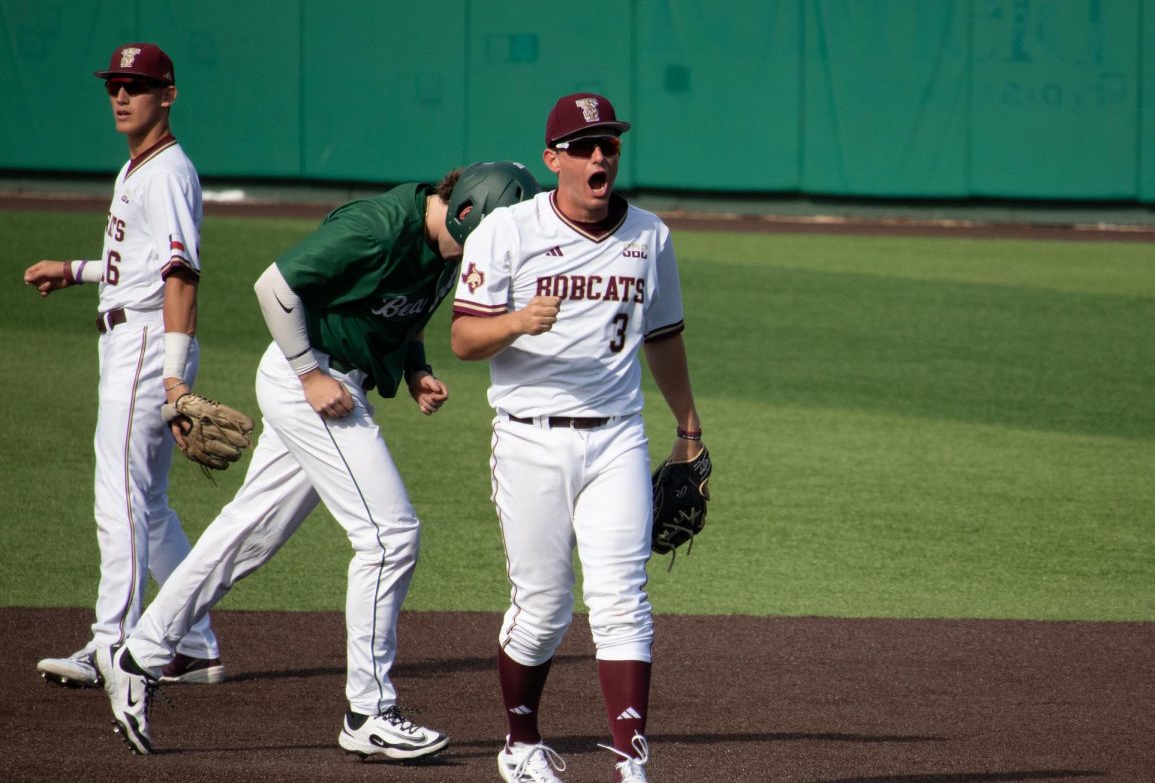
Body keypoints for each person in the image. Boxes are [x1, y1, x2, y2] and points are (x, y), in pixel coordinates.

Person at [95, 161, 541, 759]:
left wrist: (416, 370)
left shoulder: (449, 246)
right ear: (466, 211)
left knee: (249, 534)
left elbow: (397, 310)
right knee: (389, 536)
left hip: (332, 378)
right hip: (308, 377)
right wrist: (308, 374)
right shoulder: (379, 227)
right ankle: (370, 710)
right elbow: (273, 287)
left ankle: (138, 655)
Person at [451, 93, 705, 783]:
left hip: (617, 438)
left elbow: (665, 337)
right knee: (543, 609)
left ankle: (630, 760)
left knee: (623, 598)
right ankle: (521, 743)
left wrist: (687, 426)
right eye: (586, 146)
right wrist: (515, 324)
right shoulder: (506, 232)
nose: (601, 157)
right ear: (552, 159)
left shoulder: (649, 235)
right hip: (529, 440)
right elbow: (463, 336)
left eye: (610, 145)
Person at [24, 42, 224, 690]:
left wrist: (172, 380)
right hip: (134, 337)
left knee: (120, 503)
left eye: (136, 85)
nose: (120, 95)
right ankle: (192, 643)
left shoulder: (166, 172)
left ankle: (114, 644)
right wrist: (77, 271)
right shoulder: (137, 167)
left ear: (167, 94)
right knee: (152, 506)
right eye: (114, 83)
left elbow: (180, 276)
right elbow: (135, 266)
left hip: (145, 345)